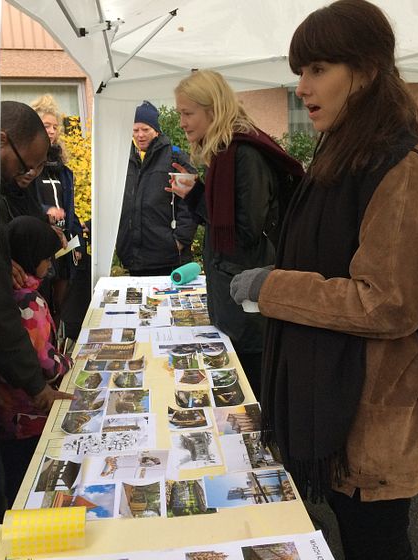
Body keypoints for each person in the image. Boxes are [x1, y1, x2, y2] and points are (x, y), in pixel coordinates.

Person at [228, 1, 418, 558]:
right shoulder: (347, 155)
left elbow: (389, 303)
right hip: (337, 403)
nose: (303, 87)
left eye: (319, 69)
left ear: (368, 71)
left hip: (373, 415)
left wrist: (271, 287)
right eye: (300, 72)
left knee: (374, 542)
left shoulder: (400, 171)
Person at [167, 71, 304, 399]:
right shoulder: (226, 152)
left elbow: (244, 232)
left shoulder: (243, 154)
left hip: (248, 300)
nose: (182, 122)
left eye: (188, 113)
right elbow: (227, 219)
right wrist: (199, 193)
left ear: (212, 110)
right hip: (235, 293)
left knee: (252, 390)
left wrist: (199, 197)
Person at [0, 101, 74, 555]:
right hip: (19, 416)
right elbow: (2, 317)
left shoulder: (0, 187)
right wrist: (39, 383)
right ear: (3, 139)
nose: (28, 175)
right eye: (28, 164)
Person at [0, 215, 74, 506]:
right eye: (46, 258)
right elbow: (47, 363)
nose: (51, 265)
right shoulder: (31, 303)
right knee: (31, 482)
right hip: (28, 418)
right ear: (31, 257)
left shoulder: (5, 294)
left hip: (6, 413)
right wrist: (67, 362)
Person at [30, 94, 90, 333]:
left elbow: (69, 205)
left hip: (65, 245)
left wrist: (78, 226)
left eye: (55, 126)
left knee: (64, 303)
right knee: (42, 301)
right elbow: (26, 203)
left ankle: (61, 344)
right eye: (46, 126)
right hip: (41, 244)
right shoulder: (29, 166)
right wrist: (47, 213)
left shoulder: (62, 169)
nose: (52, 131)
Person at [116, 101, 197, 277]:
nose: (140, 135)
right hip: (133, 258)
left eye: (145, 130)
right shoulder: (122, 159)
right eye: (135, 130)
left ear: (156, 130)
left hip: (168, 258)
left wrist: (180, 240)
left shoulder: (176, 158)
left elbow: (191, 202)